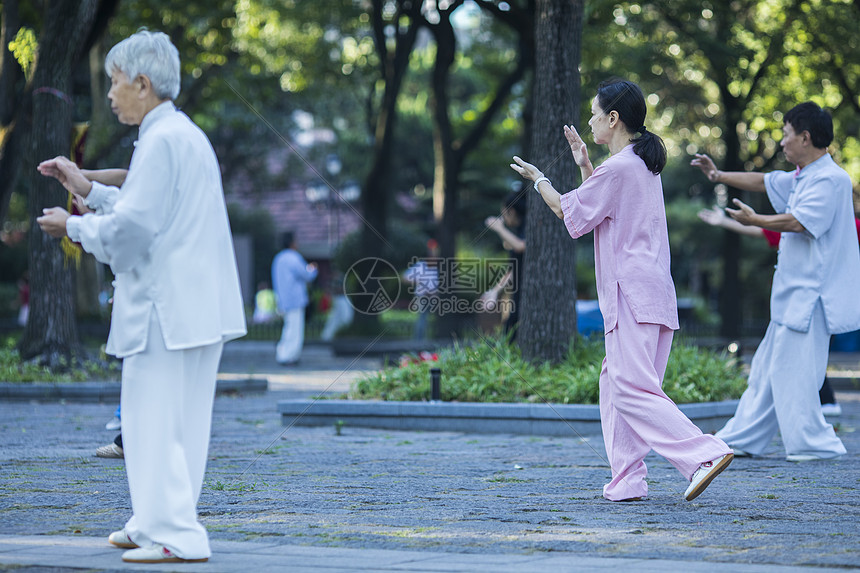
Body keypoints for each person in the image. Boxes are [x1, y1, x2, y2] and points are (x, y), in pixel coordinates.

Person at [36, 30, 246, 563]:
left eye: (115, 82)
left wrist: (72, 227)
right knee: (171, 420)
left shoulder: (162, 140)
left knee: (155, 420)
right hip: (190, 304)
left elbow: (132, 230)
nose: (110, 94)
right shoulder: (181, 135)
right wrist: (83, 188)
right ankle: (155, 520)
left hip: (167, 307)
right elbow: (142, 206)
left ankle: (176, 532)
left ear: (143, 84)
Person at [511, 79, 733, 502]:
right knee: (617, 383)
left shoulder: (620, 168)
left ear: (613, 119)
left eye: (595, 113)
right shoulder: (638, 166)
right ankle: (628, 480)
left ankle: (704, 454)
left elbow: (567, 210)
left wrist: (539, 178)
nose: (590, 121)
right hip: (652, 295)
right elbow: (601, 210)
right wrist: (583, 164)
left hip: (631, 295)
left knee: (630, 388)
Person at [691, 101, 860, 461]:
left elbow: (799, 222)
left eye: (785, 135)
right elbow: (764, 181)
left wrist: (757, 221)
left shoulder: (832, 179)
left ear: (805, 137)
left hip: (813, 298)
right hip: (791, 296)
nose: (781, 143)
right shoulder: (803, 175)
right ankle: (740, 438)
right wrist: (719, 176)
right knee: (767, 371)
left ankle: (815, 444)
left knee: (793, 376)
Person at [698, 206, 860, 417]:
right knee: (804, 347)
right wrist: (723, 222)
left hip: (835, 295)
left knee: (807, 347)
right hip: (814, 297)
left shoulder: (847, 225)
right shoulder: (802, 223)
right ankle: (823, 399)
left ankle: (822, 400)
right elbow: (765, 230)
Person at [482, 191, 526, 340]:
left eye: (504, 214)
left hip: (526, 293)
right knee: (509, 328)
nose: (504, 219)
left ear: (511, 211)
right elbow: (513, 269)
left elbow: (521, 246)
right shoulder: (517, 231)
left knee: (512, 329)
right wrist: (494, 291)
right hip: (518, 293)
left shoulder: (528, 226)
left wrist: (499, 228)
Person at [272, 231, 318, 365]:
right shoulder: (294, 257)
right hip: (295, 299)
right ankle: (288, 356)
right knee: (295, 329)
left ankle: (284, 354)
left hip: (283, 298)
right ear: (292, 242)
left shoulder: (278, 259)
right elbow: (307, 274)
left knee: (288, 327)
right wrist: (313, 269)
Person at [403, 239, 440, 341]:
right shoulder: (421, 266)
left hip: (432, 297)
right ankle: (418, 340)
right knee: (422, 318)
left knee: (429, 320)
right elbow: (405, 277)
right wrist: (419, 281)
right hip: (422, 296)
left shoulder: (436, 269)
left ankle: (426, 339)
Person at [321, 276, 354, 342]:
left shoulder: (344, 300)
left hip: (340, 333)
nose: (335, 288)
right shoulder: (336, 299)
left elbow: (346, 319)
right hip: (333, 334)